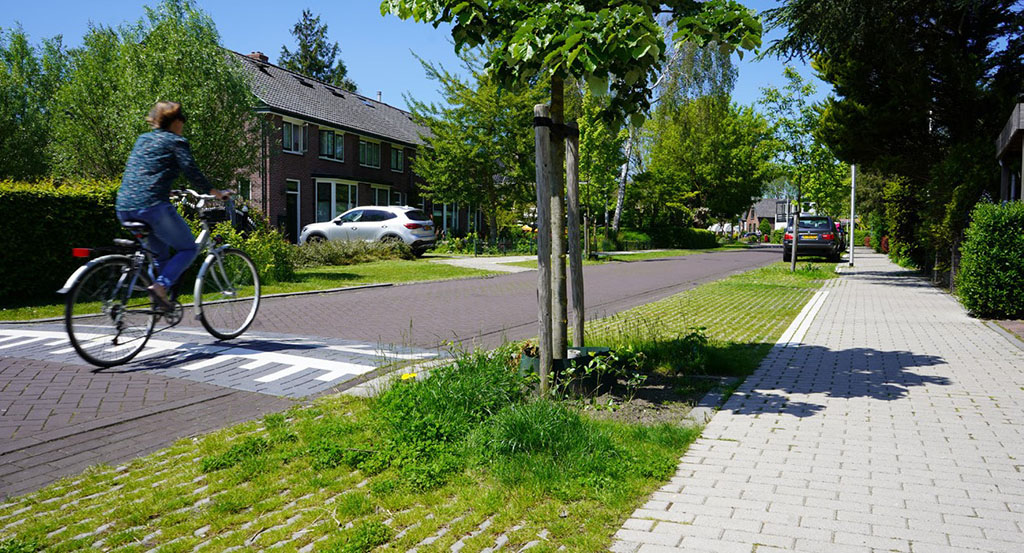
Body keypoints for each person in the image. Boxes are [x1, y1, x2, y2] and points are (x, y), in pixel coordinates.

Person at [116, 101, 231, 310]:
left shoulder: (143, 140)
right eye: (182, 121)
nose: (183, 125)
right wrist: (216, 192)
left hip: (124, 206)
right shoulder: (176, 141)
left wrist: (164, 188)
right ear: (176, 121)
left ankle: (158, 302)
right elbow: (191, 171)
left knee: (160, 256)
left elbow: (143, 171)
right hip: (152, 207)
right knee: (188, 248)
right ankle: (160, 287)